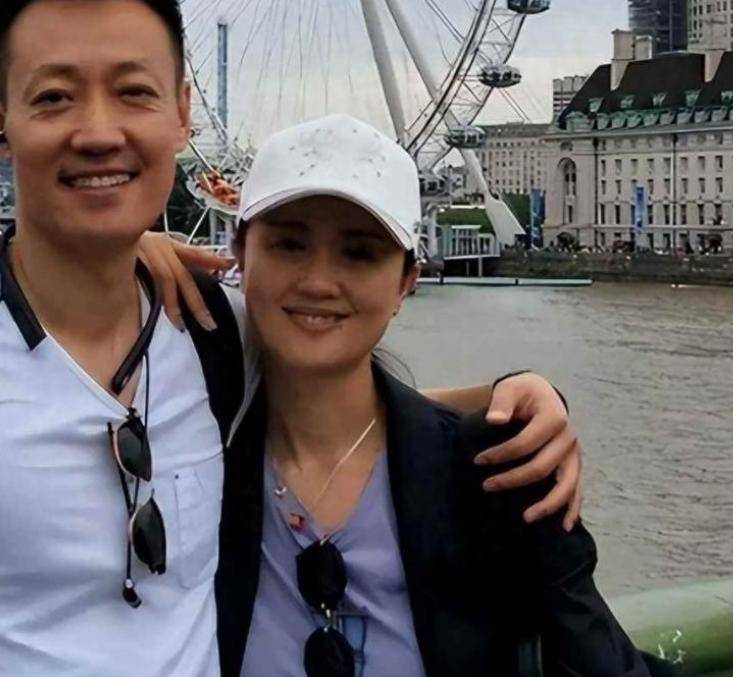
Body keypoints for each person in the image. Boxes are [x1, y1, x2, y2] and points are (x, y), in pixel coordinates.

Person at [0, 0, 580, 675]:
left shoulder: (215, 334)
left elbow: (342, 410)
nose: (98, 131)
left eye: (134, 92)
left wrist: (519, 395)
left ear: (183, 112)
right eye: (54, 97)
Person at [212, 115, 651, 676]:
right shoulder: (191, 453)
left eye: (359, 253)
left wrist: (520, 395)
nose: (318, 281)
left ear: (406, 282)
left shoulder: (500, 471)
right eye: (289, 245)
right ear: (240, 254)